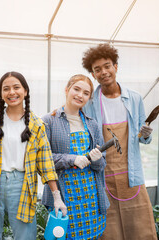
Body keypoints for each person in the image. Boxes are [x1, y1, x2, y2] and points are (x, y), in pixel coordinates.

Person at [0, 71, 67, 240]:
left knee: (25, 235)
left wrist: (57, 197)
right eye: (6, 89)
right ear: (1, 94)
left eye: (16, 87)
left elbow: (45, 162)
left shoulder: (36, 124)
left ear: (25, 91)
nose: (11, 92)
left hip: (22, 184)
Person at [82, 43, 157, 240]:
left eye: (107, 66)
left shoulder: (134, 98)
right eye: (97, 69)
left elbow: (143, 138)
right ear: (93, 74)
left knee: (142, 231)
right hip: (103, 178)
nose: (104, 72)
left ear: (116, 66)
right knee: (110, 233)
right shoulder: (90, 102)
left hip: (132, 176)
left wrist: (146, 134)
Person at [42, 74, 109, 240]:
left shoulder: (92, 124)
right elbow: (42, 160)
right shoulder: (48, 121)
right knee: (62, 235)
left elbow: (101, 166)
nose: (80, 95)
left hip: (91, 195)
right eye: (76, 89)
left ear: (89, 98)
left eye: (86, 93)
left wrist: (97, 158)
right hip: (64, 195)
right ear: (67, 90)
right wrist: (72, 159)